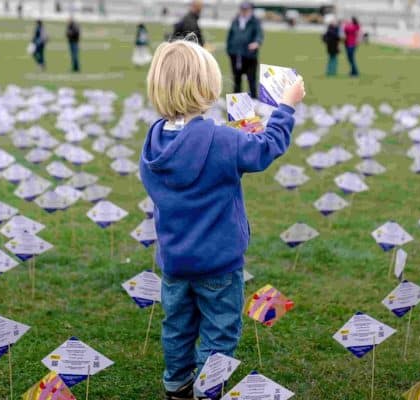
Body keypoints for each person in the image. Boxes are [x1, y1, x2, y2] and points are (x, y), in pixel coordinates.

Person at [140, 39, 305, 400]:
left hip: (174, 263)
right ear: (207, 88)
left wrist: (234, 142)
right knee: (220, 333)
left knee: (177, 328)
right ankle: (208, 390)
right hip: (218, 263)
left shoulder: (152, 144)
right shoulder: (221, 140)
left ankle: (177, 386)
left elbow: (196, 157)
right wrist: (287, 107)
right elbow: (265, 150)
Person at [226, 1, 263, 99]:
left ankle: (254, 100)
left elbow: (259, 34)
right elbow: (230, 35)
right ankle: (236, 101)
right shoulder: (235, 20)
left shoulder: (255, 21)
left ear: (251, 10)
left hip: (249, 56)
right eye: (243, 9)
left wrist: (257, 43)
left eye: (246, 9)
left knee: (251, 79)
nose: (244, 11)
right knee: (236, 79)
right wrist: (229, 50)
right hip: (236, 55)